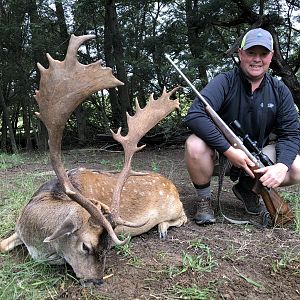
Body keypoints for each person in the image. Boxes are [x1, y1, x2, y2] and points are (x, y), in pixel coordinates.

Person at [184, 28, 300, 225]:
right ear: (240, 53)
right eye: (251, 53)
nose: (257, 59)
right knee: (194, 145)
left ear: (271, 57)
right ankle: (204, 200)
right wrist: (228, 150)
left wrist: (281, 166)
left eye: (263, 54)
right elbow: (194, 115)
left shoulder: (280, 90)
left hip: (259, 155)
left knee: (296, 167)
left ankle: (248, 188)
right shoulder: (224, 81)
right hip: (221, 155)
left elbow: (290, 134)